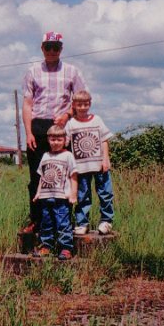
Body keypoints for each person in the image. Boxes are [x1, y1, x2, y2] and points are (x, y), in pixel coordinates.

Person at [22, 31, 87, 233]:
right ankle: (37, 221)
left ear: (61, 49)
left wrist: (68, 115)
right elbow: (27, 103)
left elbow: (81, 100)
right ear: (42, 48)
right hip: (38, 126)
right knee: (37, 176)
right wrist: (28, 133)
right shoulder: (32, 71)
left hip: (61, 127)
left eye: (55, 48)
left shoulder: (72, 71)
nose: (51, 51)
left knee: (66, 173)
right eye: (48, 47)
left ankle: (67, 222)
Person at [65, 90, 115, 235]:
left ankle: (107, 221)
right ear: (74, 105)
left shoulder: (97, 119)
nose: (82, 107)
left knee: (105, 193)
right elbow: (65, 143)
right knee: (82, 195)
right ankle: (82, 223)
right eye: (79, 104)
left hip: (99, 165)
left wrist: (106, 159)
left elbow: (104, 140)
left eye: (85, 104)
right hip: (80, 167)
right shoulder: (71, 124)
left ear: (90, 104)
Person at [32, 125, 78, 260]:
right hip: (46, 197)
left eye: (59, 139)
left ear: (65, 140)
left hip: (61, 197)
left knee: (63, 223)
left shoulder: (68, 155)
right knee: (46, 223)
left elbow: (74, 176)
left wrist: (73, 194)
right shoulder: (45, 156)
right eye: (53, 139)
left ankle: (66, 248)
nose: (56, 142)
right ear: (48, 140)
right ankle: (46, 246)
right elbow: (43, 176)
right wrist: (38, 193)